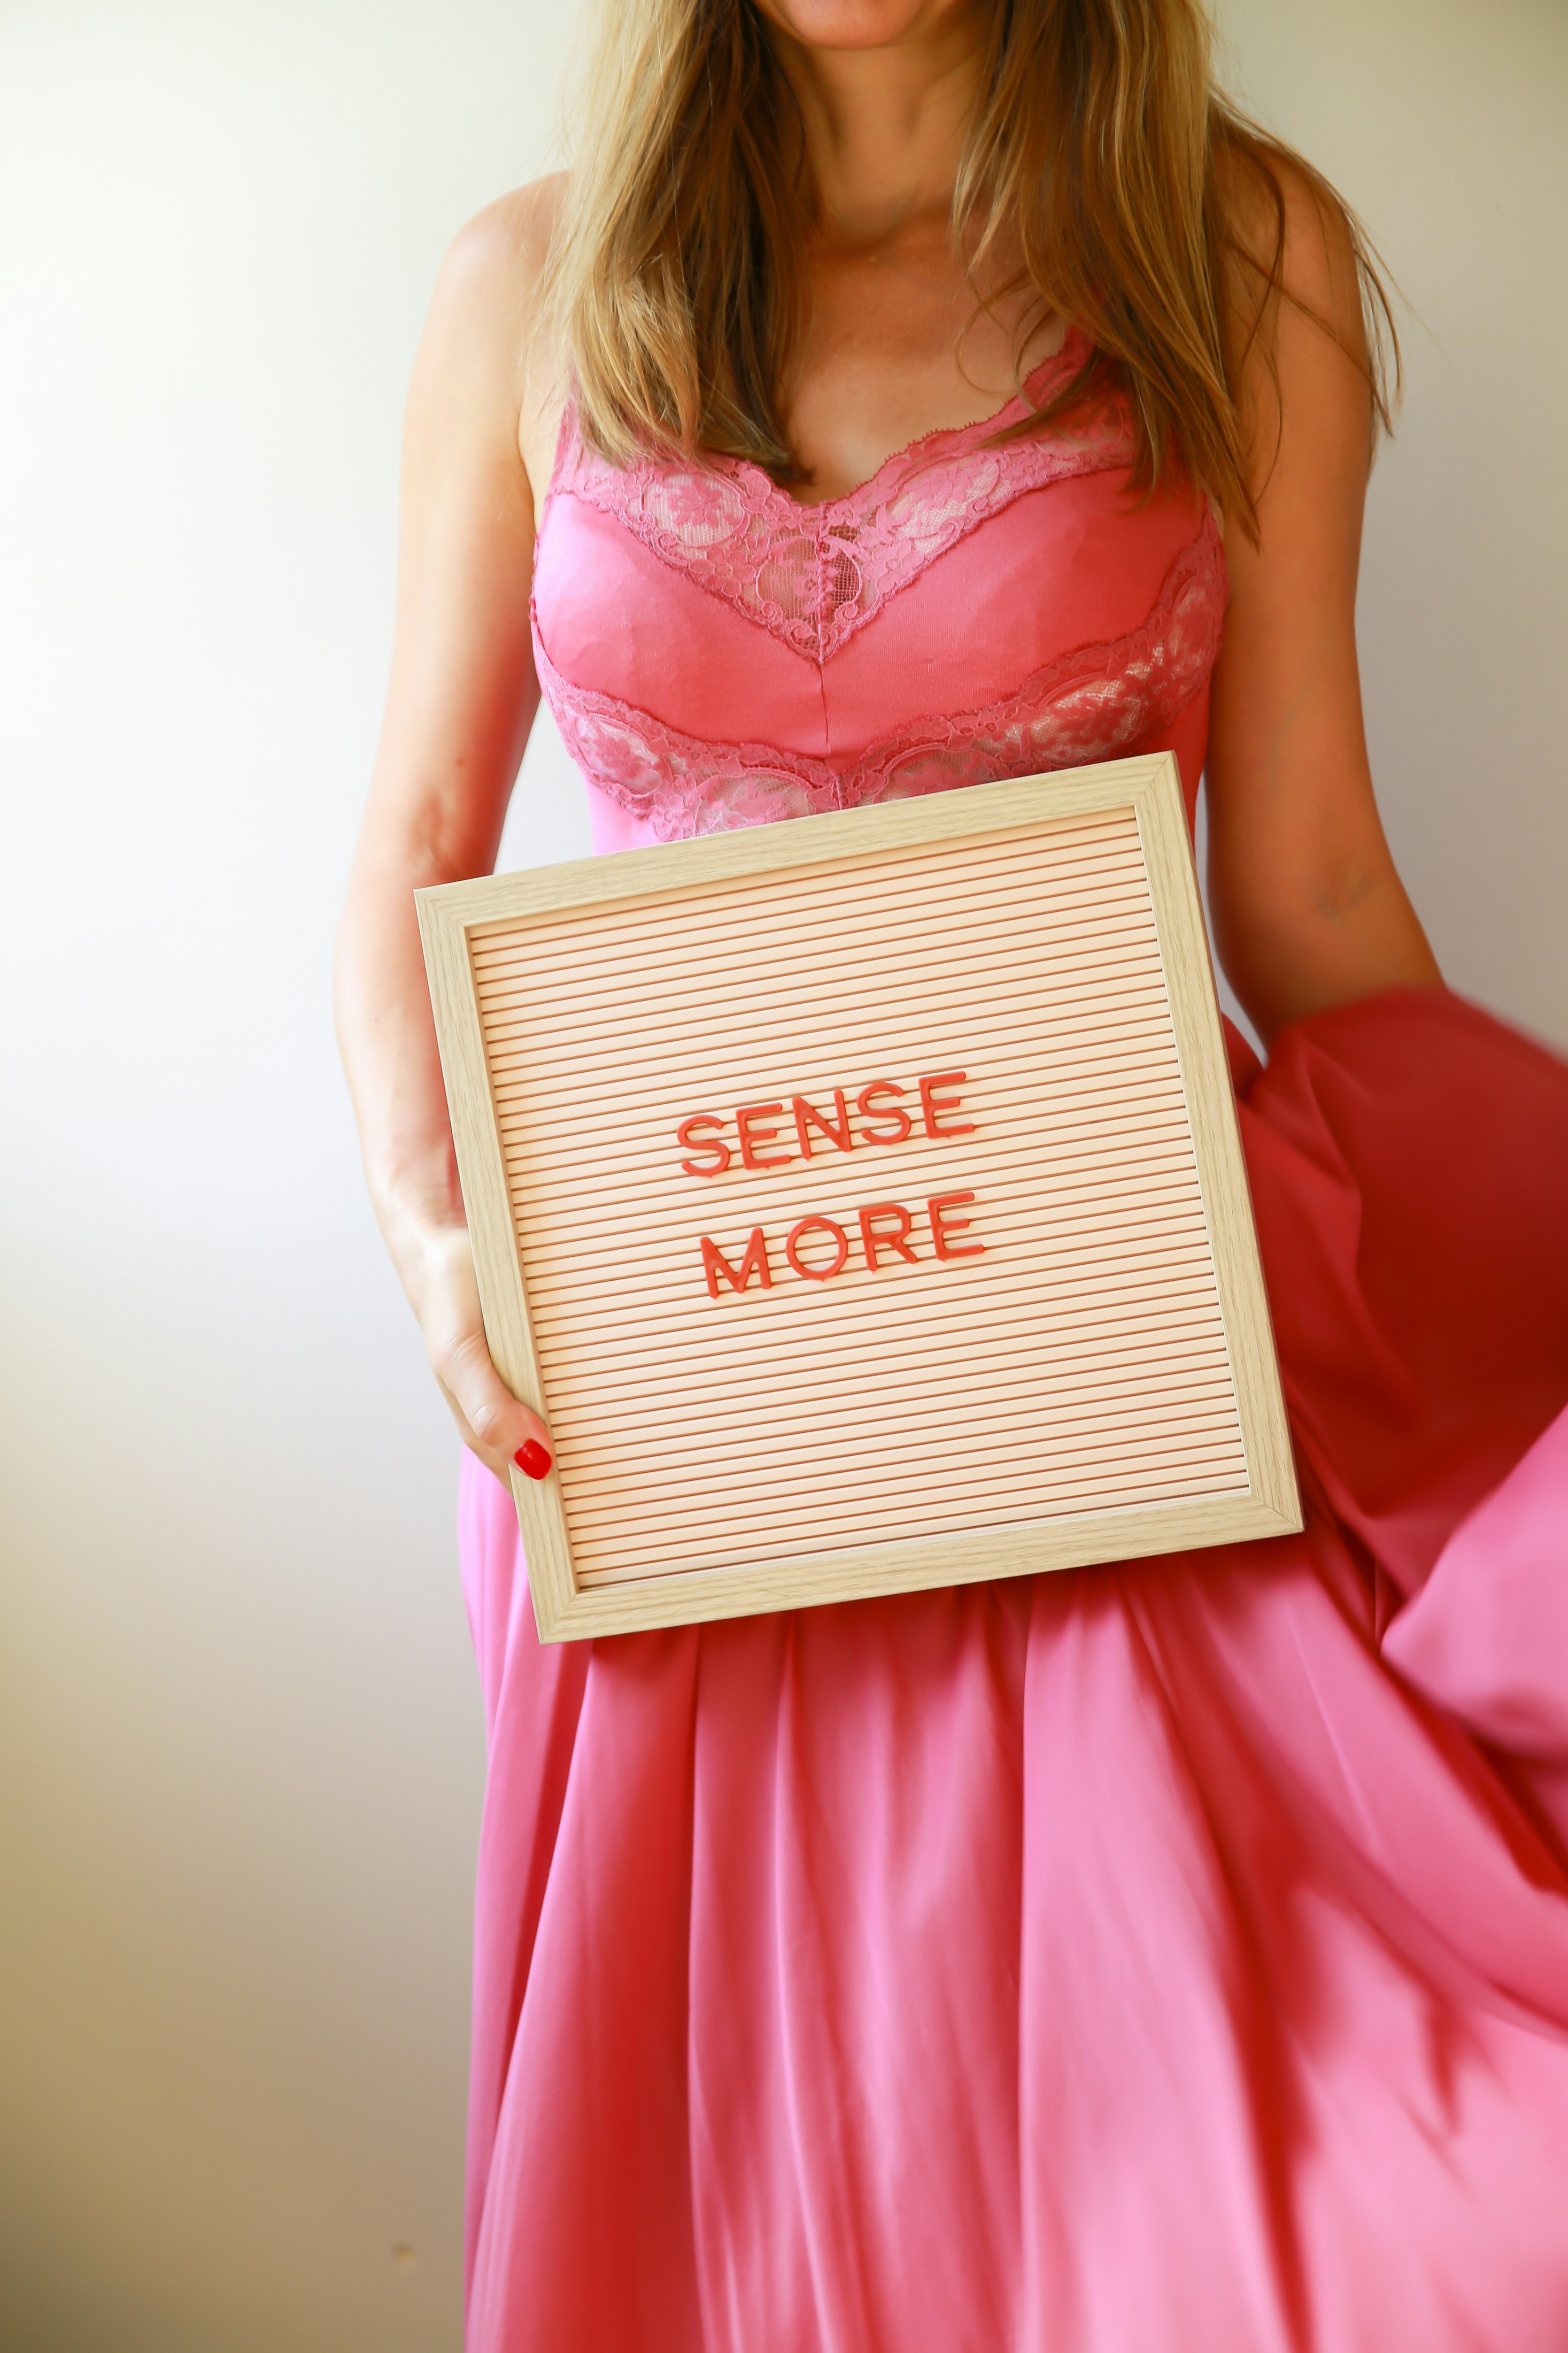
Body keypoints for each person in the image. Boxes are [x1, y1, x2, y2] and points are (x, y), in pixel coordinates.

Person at [335, 0, 1568, 2341]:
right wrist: (430, 1234)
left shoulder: (1237, 253)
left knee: (1298, 2185)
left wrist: (1497, 1259)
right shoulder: (527, 284)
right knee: (747, 2217)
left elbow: (1299, 887)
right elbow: (409, 838)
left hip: (1121, 1372)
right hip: (663, 1414)